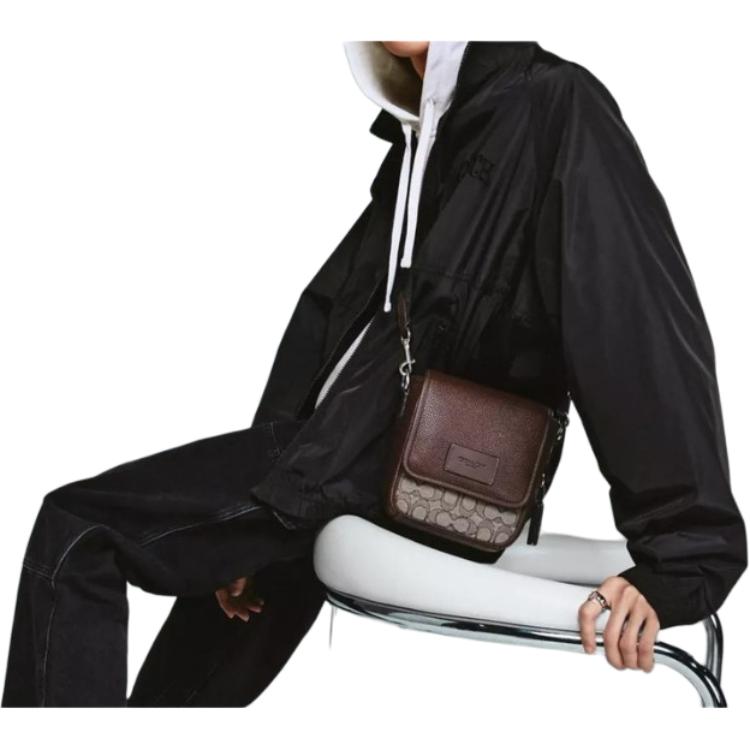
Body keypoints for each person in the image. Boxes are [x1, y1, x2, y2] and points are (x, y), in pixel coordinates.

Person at [2, 40, 747, 707]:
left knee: (78, 532)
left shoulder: (552, 104)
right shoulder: (425, 133)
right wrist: (251, 515)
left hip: (389, 472)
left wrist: (685, 551)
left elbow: (630, 314)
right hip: (323, 466)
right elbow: (332, 324)